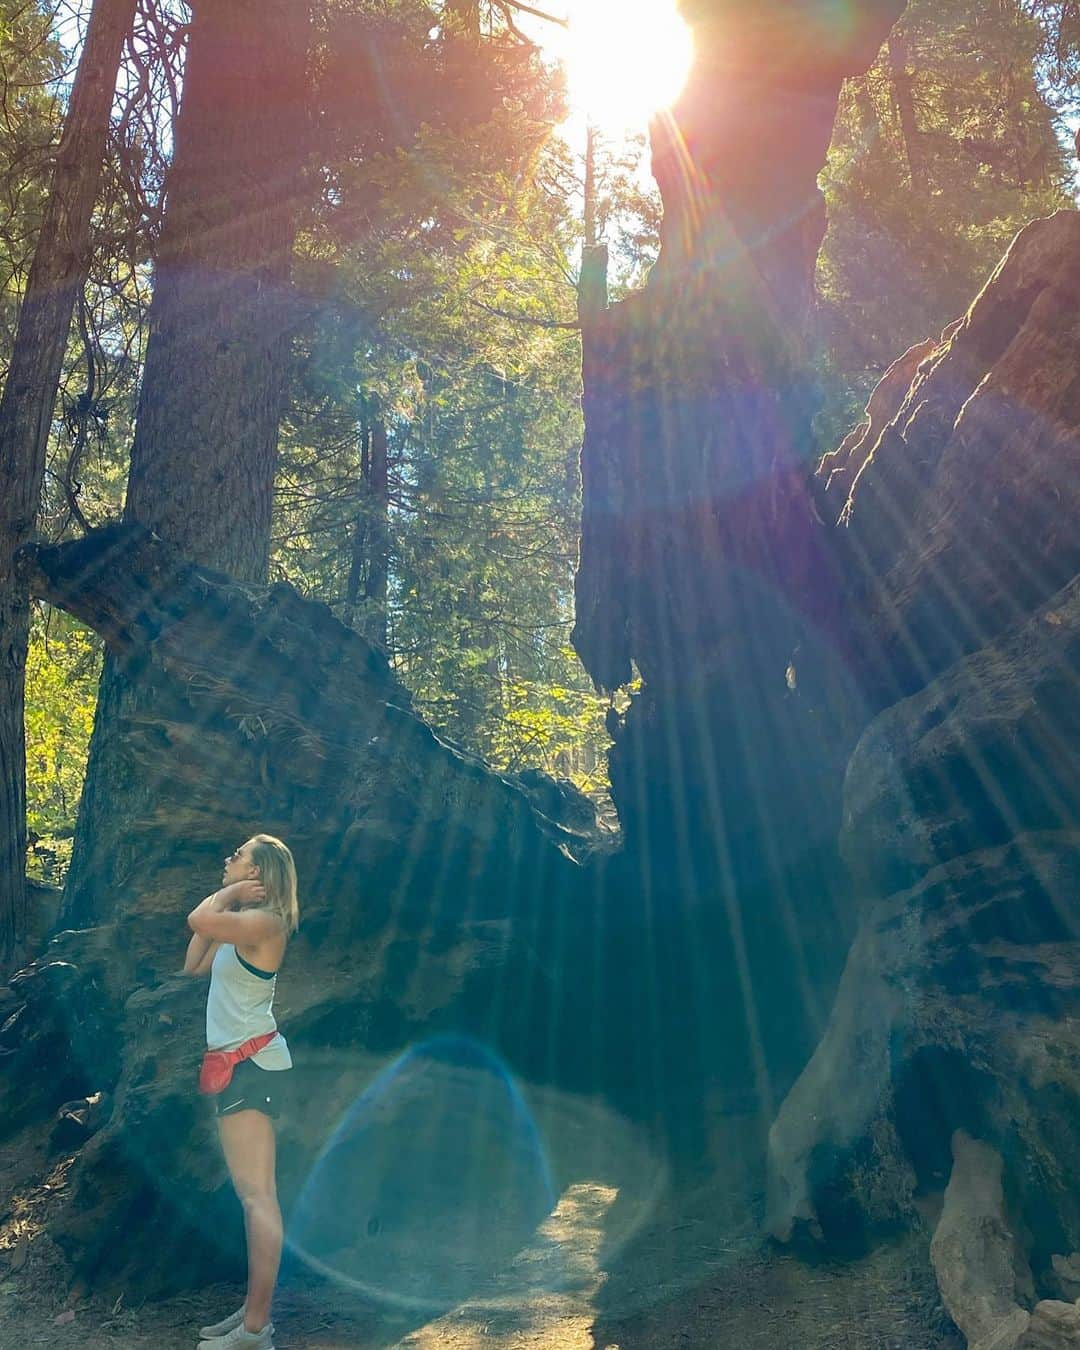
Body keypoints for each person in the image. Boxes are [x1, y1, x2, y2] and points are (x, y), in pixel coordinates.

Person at [183, 834, 299, 1350]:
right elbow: (195, 960)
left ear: (260, 874)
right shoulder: (243, 925)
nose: (226, 859)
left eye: (238, 856)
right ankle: (253, 1316)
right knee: (252, 1196)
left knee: (258, 1198)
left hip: (251, 1066)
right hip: (241, 1066)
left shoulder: (266, 922)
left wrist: (226, 898)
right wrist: (227, 897)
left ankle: (256, 1329)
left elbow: (199, 921)